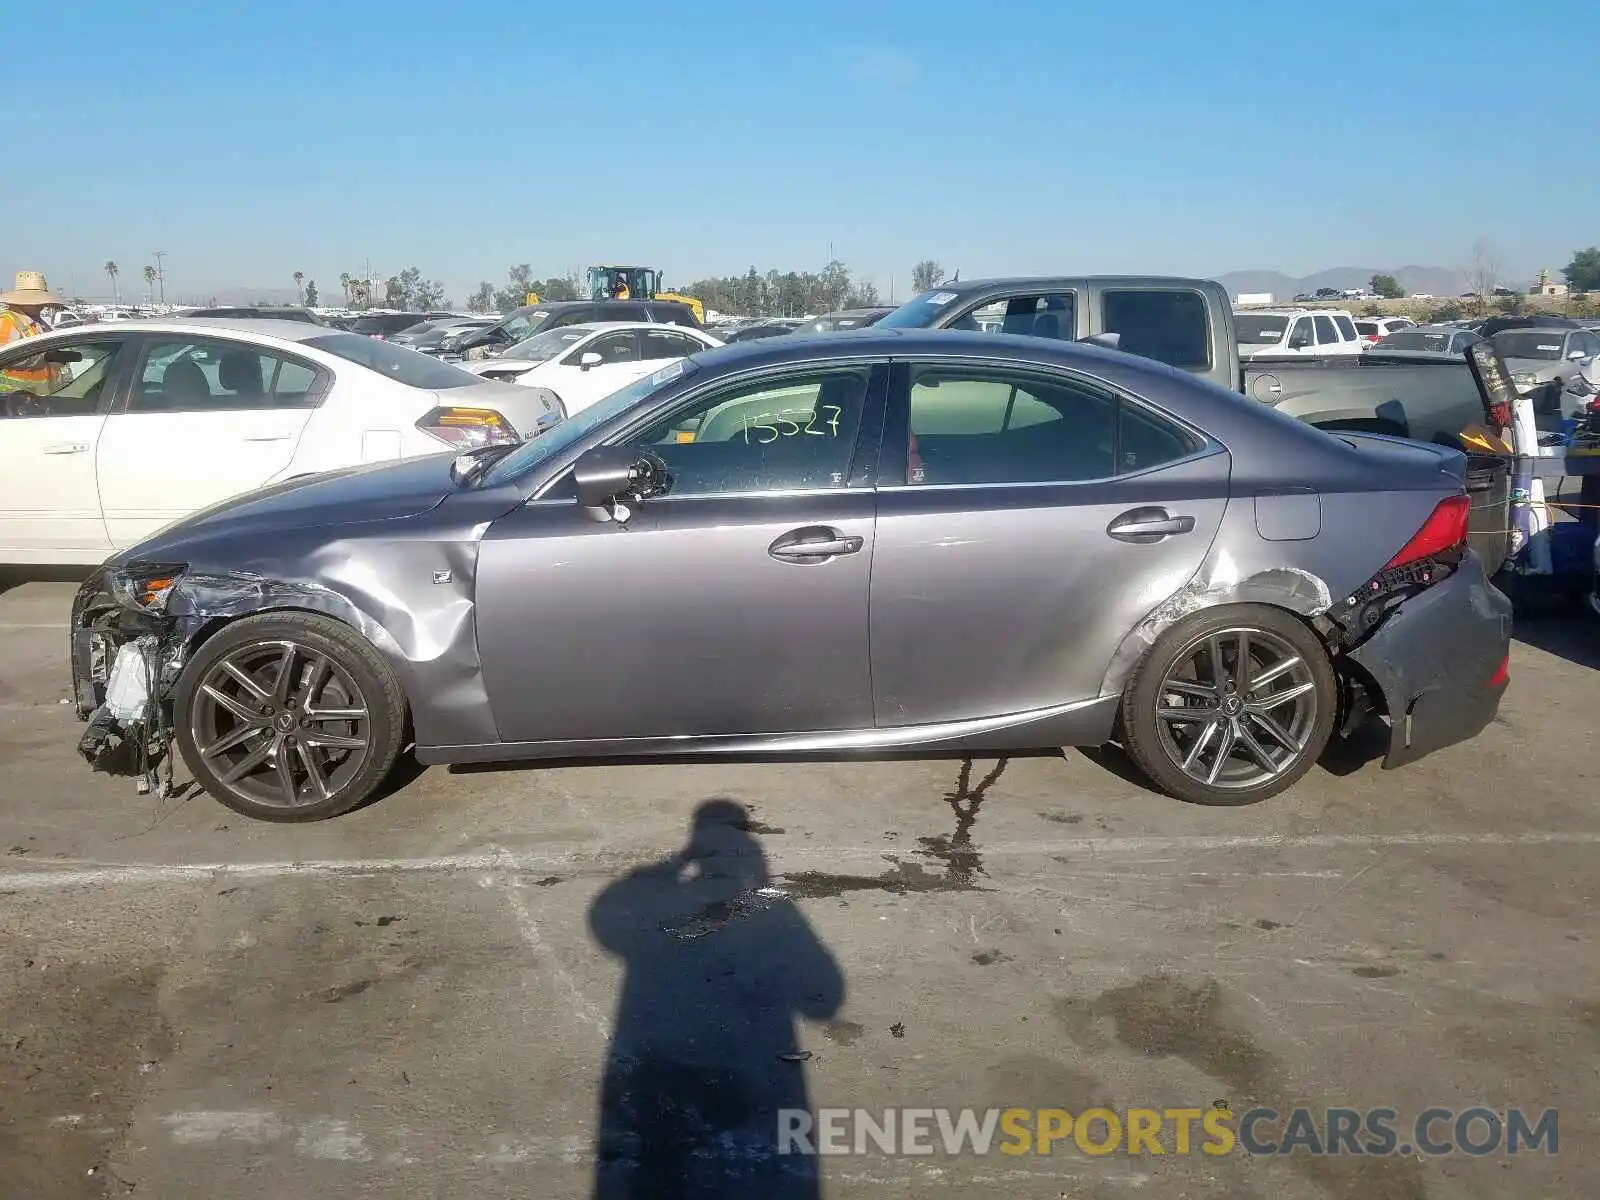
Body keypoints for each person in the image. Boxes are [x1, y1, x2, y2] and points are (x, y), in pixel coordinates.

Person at [0, 271, 66, 392]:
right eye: (36, 300)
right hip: (14, 400)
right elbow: (7, 356)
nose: (42, 305)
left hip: (39, 395)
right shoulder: (7, 322)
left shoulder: (39, 321)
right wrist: (48, 357)